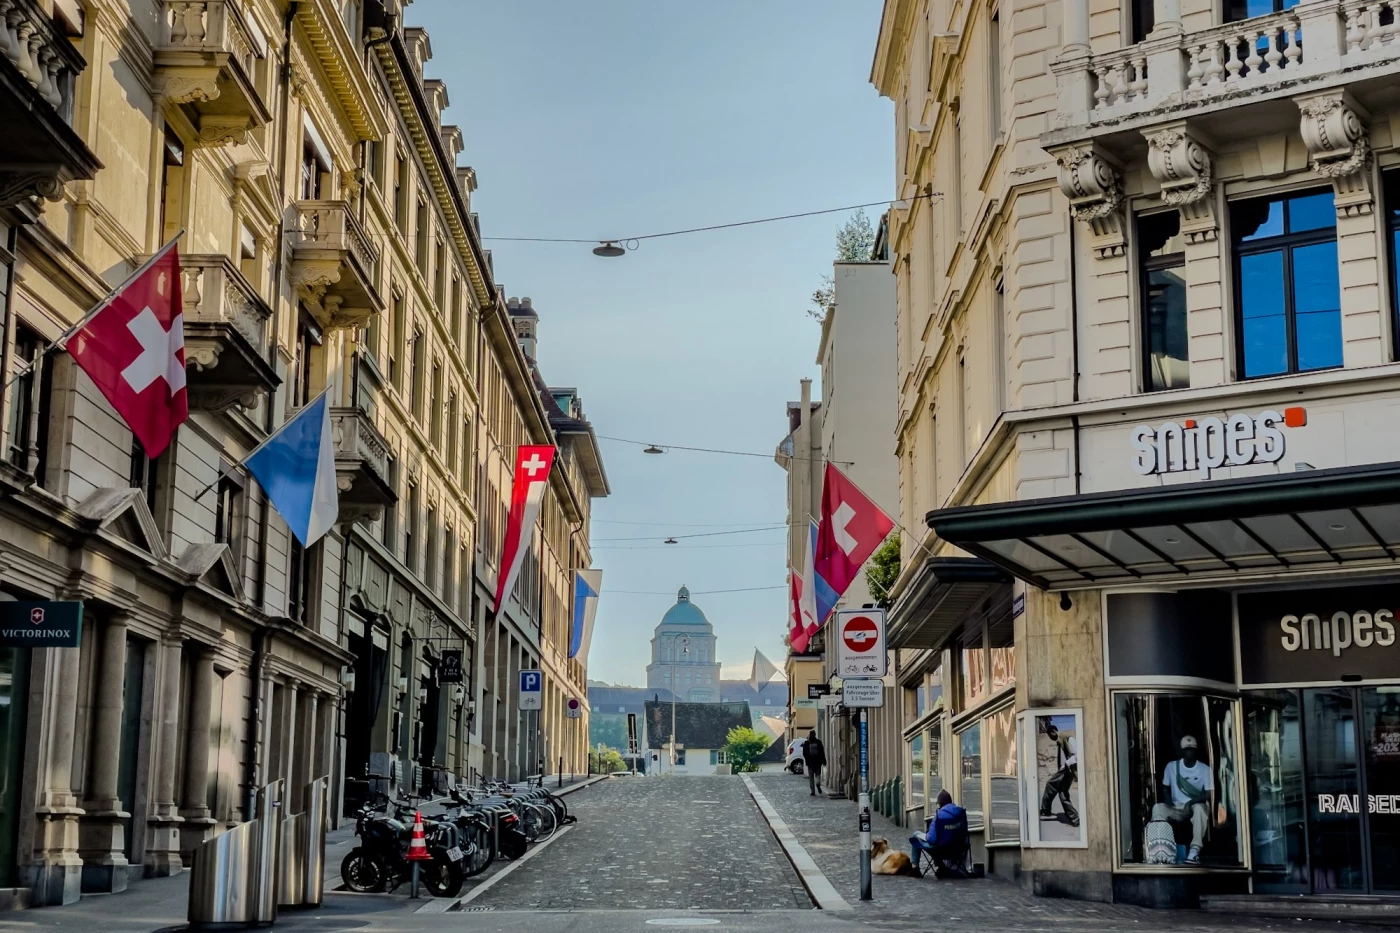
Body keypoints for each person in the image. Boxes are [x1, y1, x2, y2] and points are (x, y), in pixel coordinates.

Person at [1152, 735, 1213, 864]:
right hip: (1176, 806)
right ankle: (1159, 849)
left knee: (1201, 809)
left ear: (1196, 751)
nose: (1189, 752)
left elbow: (1209, 794)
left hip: (1193, 806)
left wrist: (1190, 803)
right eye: (1186, 749)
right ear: (1181, 751)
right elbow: (1165, 788)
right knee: (1158, 808)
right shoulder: (1171, 767)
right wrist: (1170, 804)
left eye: (1191, 749)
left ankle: (1194, 851)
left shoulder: (1205, 769)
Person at [909, 790, 969, 878]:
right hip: (959, 848)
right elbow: (965, 832)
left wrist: (927, 835)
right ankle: (941, 866)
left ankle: (915, 869)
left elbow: (931, 839)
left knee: (916, 834)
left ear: (940, 803)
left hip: (941, 850)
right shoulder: (960, 813)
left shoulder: (939, 816)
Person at [1039, 722, 1080, 827]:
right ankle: (1075, 820)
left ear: (1053, 732)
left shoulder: (1067, 738)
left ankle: (1045, 809)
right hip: (1066, 769)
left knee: (1050, 784)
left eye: (1049, 735)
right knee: (1062, 794)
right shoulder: (1060, 741)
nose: (1050, 738)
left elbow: (1078, 754)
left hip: (1067, 769)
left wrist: (1067, 764)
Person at [803, 730, 826, 795]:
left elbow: (804, 753)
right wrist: (824, 760)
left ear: (810, 734)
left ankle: (812, 791)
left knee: (811, 777)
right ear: (815, 735)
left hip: (810, 763)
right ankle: (818, 784)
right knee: (817, 775)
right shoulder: (818, 742)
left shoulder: (807, 743)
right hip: (818, 762)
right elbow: (822, 752)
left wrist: (807, 760)